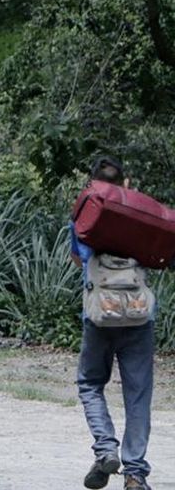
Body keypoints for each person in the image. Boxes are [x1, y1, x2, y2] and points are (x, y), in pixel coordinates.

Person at [70, 156, 156, 490]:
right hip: (138, 315)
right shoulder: (141, 215)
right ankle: (135, 473)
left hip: (99, 316)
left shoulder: (85, 216)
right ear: (125, 184)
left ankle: (106, 447)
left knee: (90, 382)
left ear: (93, 185)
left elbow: (78, 257)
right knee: (138, 394)